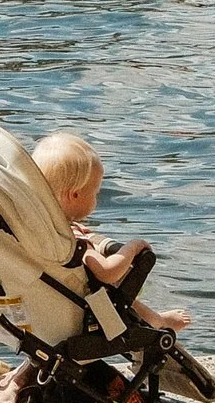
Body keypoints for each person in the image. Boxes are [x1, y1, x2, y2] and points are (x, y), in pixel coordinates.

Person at [28, 130, 192, 339]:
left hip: (41, 305)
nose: (97, 198)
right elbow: (107, 271)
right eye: (95, 192)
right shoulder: (70, 241)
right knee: (112, 288)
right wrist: (131, 248)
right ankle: (155, 321)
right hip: (79, 315)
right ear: (75, 194)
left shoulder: (42, 228)